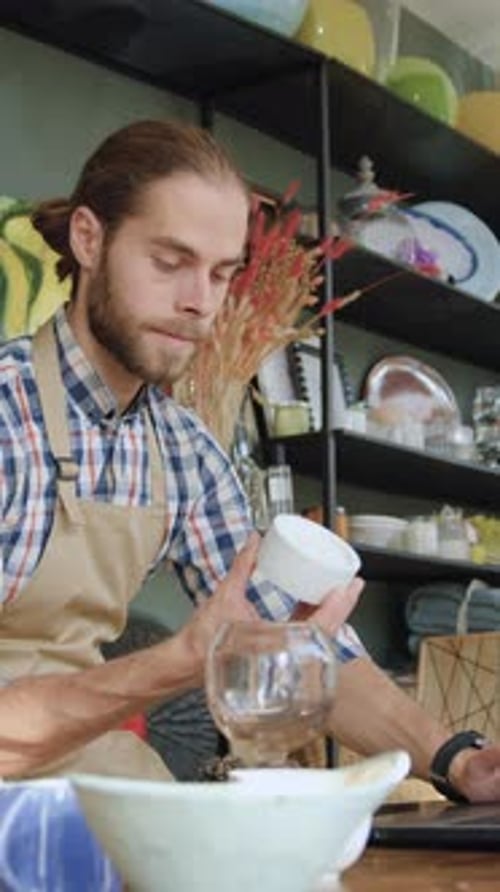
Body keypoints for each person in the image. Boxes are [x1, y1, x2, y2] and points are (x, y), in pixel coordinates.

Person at [0, 120, 498, 802]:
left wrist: (455, 759)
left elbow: (290, 636)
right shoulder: (9, 413)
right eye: (169, 261)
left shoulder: (181, 451)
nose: (199, 302)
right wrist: (180, 661)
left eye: (220, 273)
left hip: (84, 780)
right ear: (89, 239)